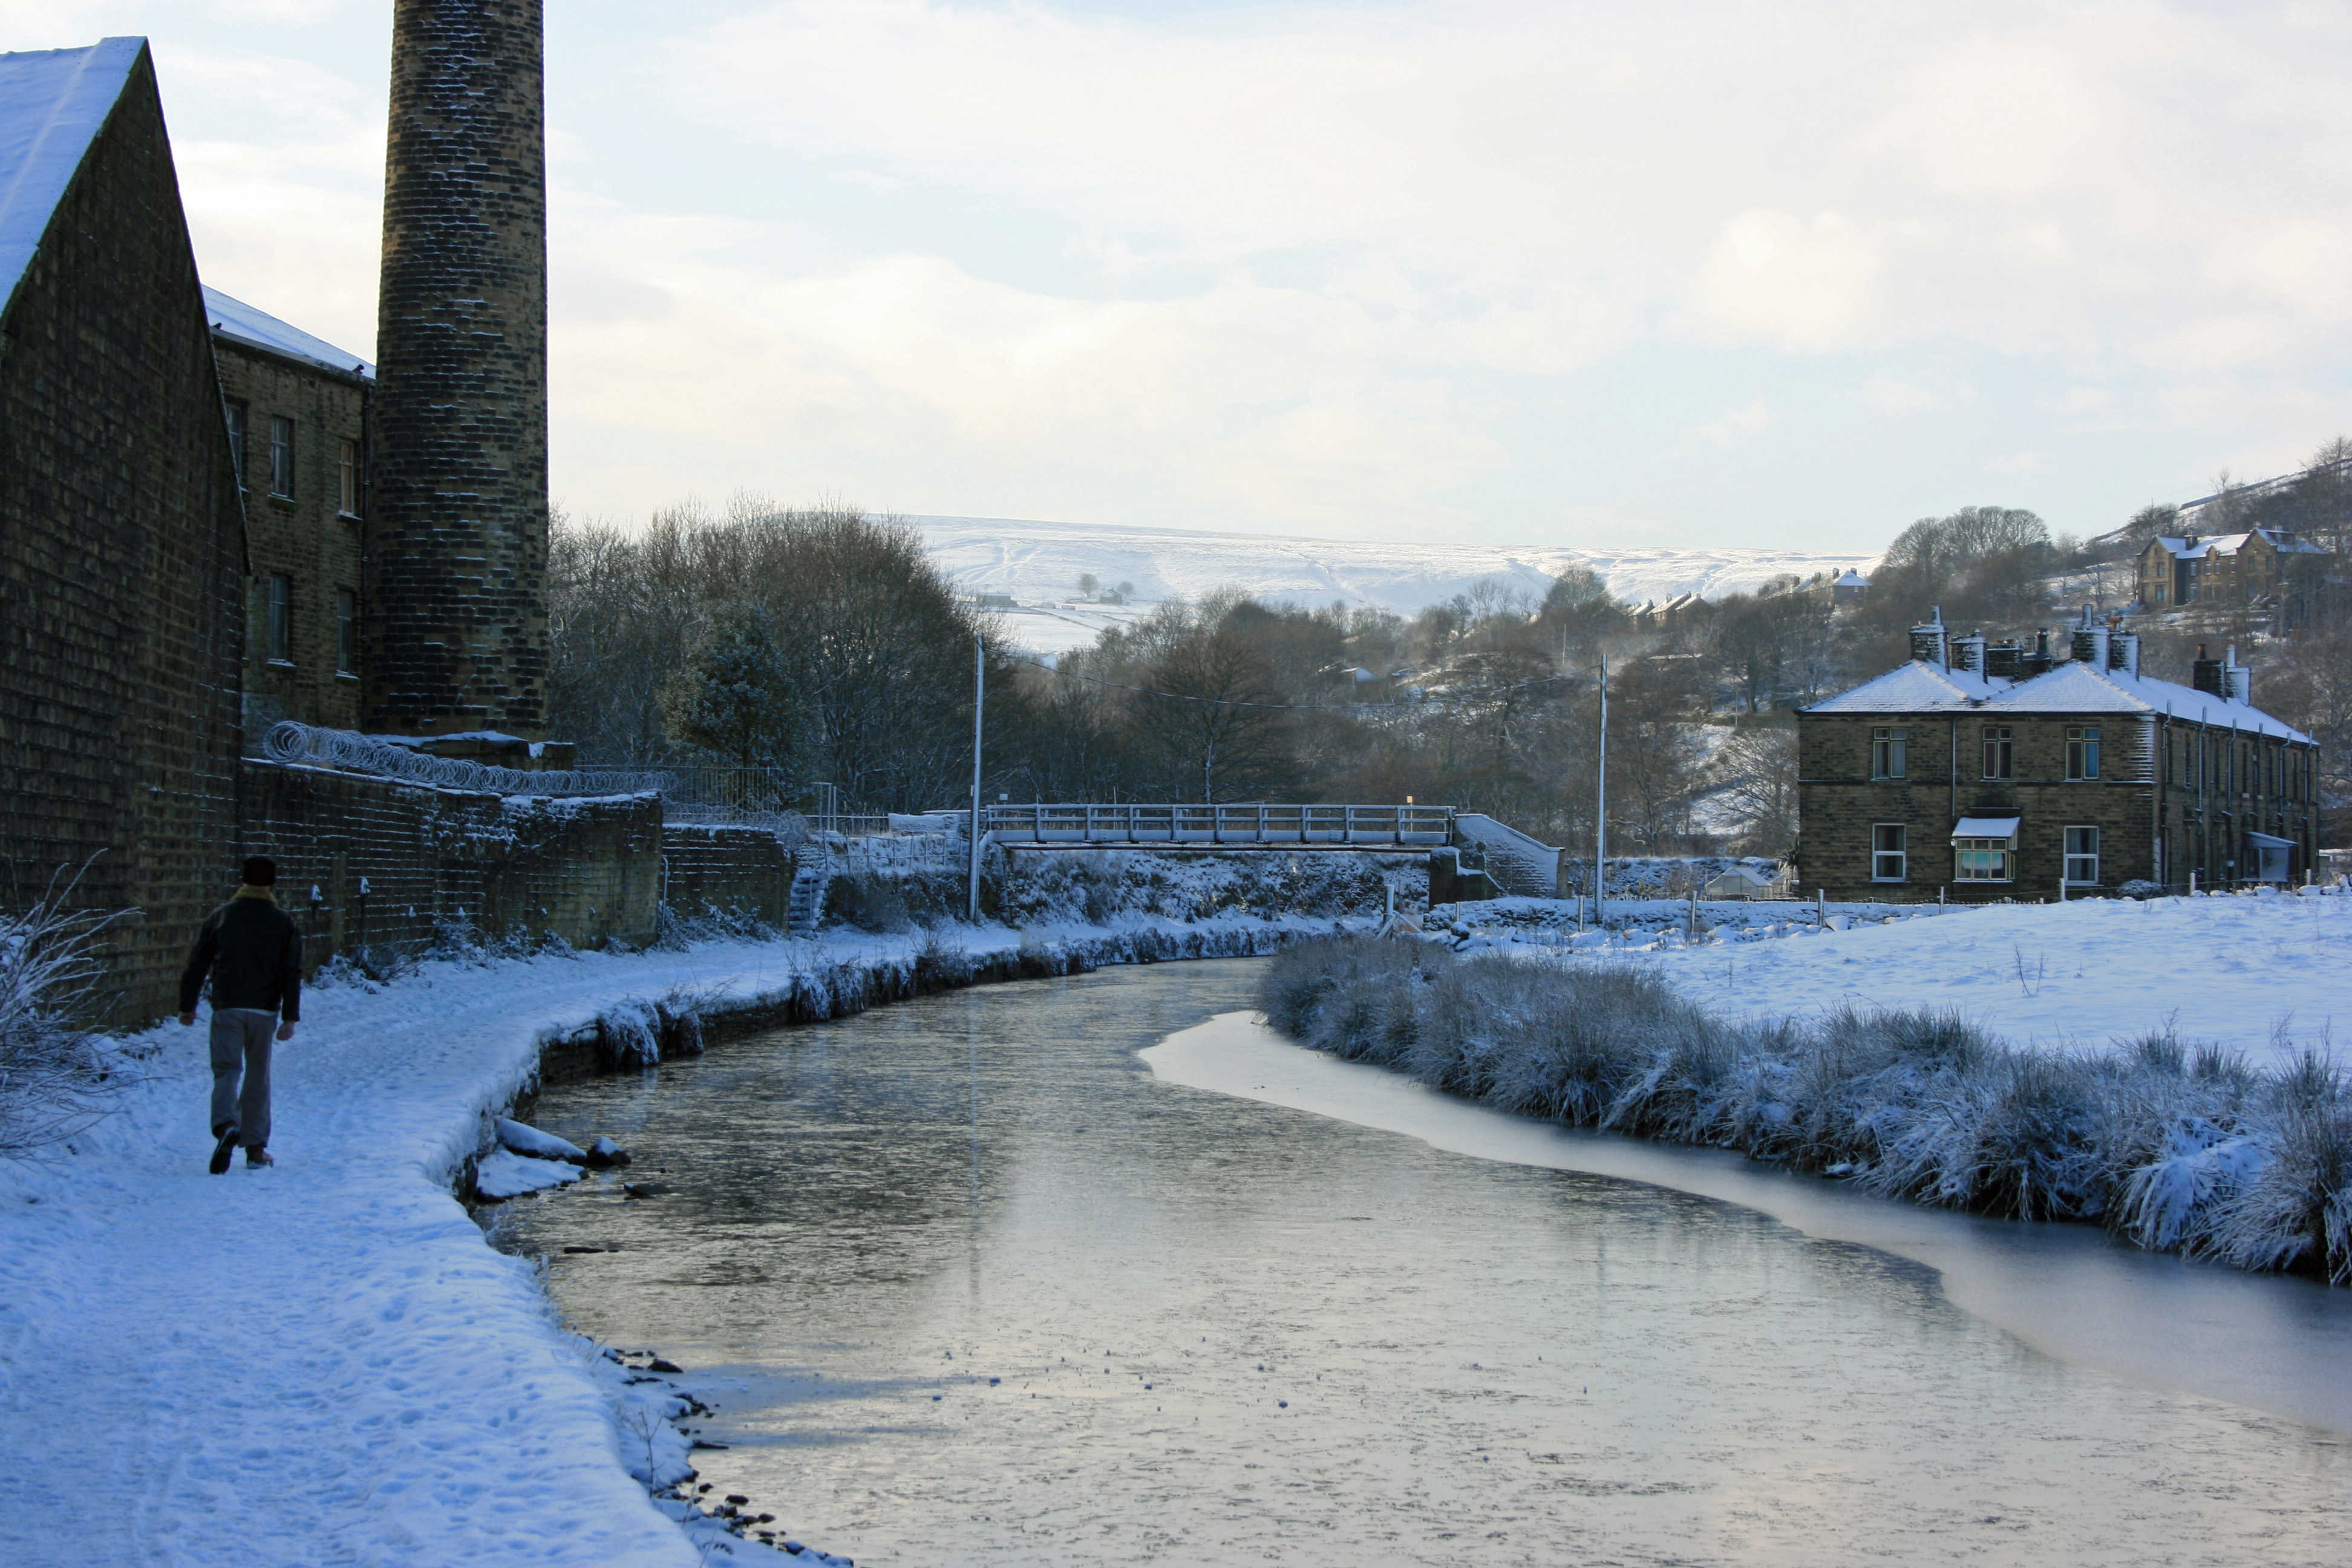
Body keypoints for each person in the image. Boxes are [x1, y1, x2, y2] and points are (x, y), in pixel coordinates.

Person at [178, 856, 302, 1173]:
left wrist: (188, 1005)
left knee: (226, 1071)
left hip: (227, 1006)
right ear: (273, 886)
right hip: (263, 1011)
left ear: (241, 883)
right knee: (258, 1076)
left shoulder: (221, 917)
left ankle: (225, 1126)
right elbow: (292, 971)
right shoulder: (284, 922)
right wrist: (290, 1017)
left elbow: (198, 963)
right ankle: (256, 1150)